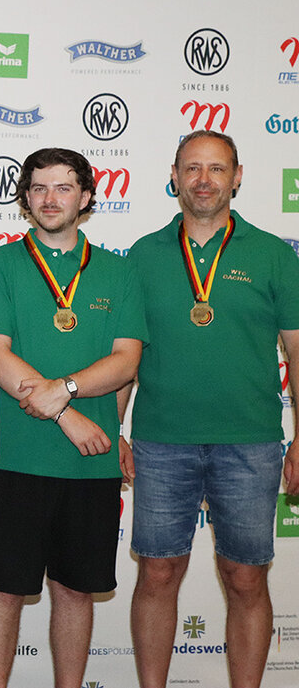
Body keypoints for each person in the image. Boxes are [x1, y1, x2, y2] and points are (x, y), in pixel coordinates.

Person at [126, 130, 299, 688]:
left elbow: (297, 352)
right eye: (192, 168)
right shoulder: (142, 255)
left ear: (237, 177)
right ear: (174, 177)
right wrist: (113, 429)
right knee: (157, 574)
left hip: (250, 443)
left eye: (217, 169)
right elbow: (124, 354)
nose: (204, 180)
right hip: (160, 441)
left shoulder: (274, 254)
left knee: (246, 580)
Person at [0, 148, 144, 688]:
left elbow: (126, 361)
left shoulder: (118, 271)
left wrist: (65, 390)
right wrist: (67, 412)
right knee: (4, 589)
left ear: (86, 197)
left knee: (75, 590)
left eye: (64, 187)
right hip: (17, 456)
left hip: (91, 464)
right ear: (25, 198)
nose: (51, 199)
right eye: (39, 188)